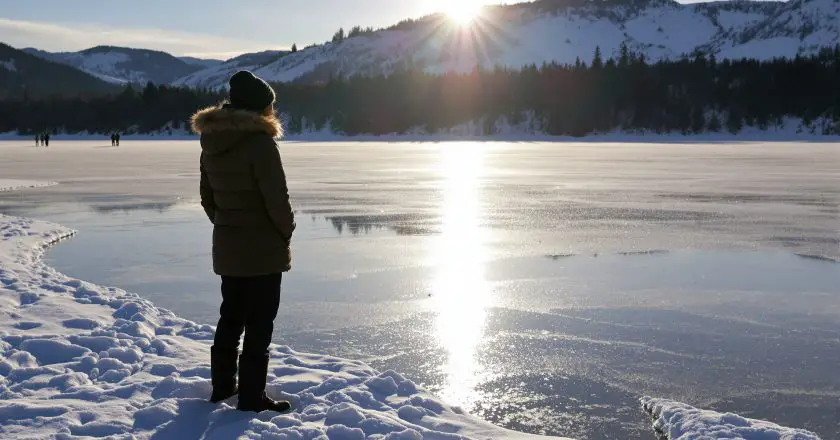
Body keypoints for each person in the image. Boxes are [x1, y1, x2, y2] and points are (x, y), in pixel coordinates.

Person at [191, 70, 295, 413]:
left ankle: (222, 387)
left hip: (229, 246)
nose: (271, 111)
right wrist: (285, 232)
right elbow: (276, 200)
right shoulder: (261, 144)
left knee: (231, 317)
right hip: (263, 250)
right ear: (259, 108)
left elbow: (208, 199)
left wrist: (227, 226)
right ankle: (251, 398)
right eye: (269, 105)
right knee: (260, 322)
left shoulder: (211, 143)